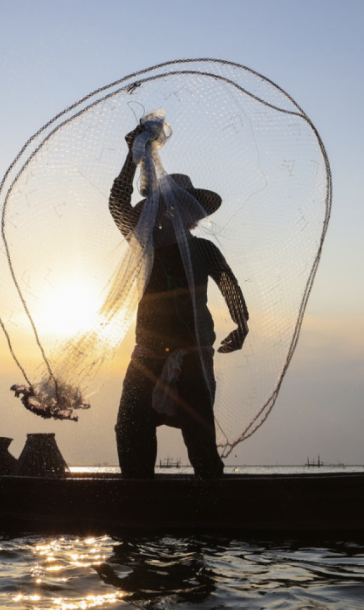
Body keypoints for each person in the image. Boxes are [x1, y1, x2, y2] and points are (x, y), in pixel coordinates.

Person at [109, 124, 249, 479]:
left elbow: (229, 286)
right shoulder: (144, 244)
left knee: (200, 442)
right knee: (130, 430)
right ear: (155, 210)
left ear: (190, 213)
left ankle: (209, 518)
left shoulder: (202, 249)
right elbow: (116, 202)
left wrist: (241, 324)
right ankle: (138, 505)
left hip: (193, 359)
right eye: (164, 206)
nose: (169, 212)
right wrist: (131, 157)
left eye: (177, 207)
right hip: (147, 356)